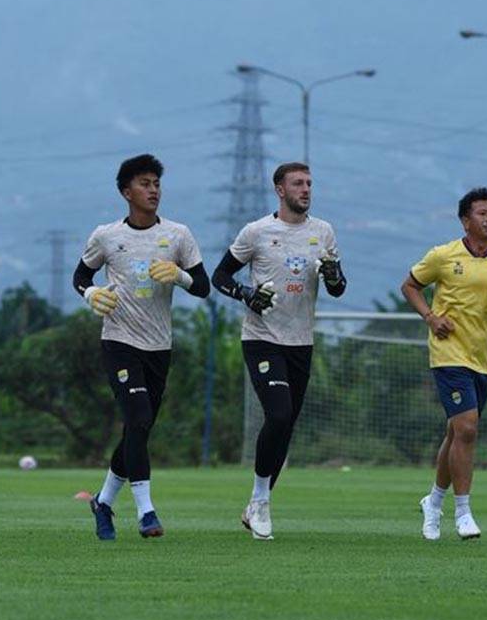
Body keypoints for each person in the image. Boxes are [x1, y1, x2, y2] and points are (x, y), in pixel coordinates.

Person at [74, 153, 209, 541]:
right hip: (118, 341)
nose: (153, 190)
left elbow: (203, 287)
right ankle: (146, 512)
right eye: (145, 184)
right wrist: (92, 293)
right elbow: (81, 275)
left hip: (158, 347)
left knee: (140, 427)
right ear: (125, 192)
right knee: (136, 418)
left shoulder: (179, 235)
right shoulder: (107, 236)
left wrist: (181, 275)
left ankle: (102, 502)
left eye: (156, 184)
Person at [212, 162, 346, 540]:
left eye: (309, 184)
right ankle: (261, 501)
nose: (305, 190)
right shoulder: (256, 232)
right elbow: (220, 276)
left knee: (285, 426)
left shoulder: (323, 232)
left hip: (301, 341)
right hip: (262, 338)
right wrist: (247, 294)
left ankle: (256, 503)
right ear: (279, 189)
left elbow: (338, 287)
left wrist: (334, 277)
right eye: (297, 184)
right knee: (279, 412)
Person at [400, 187, 487, 540]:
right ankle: (463, 512)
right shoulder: (443, 255)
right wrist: (431, 317)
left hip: (484, 358)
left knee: (457, 433)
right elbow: (410, 286)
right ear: (465, 220)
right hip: (448, 354)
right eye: (482, 214)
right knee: (468, 429)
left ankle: (433, 501)